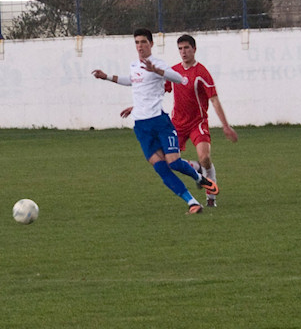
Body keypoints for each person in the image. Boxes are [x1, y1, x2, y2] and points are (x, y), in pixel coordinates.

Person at [92, 28, 218, 215]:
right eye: (137, 42)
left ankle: (199, 178)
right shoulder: (134, 65)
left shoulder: (159, 64)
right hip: (141, 126)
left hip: (160, 123)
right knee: (161, 168)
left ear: (151, 44)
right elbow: (132, 81)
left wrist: (156, 70)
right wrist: (107, 77)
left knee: (174, 162)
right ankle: (192, 202)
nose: (140, 46)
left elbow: (180, 79)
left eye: (143, 42)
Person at [164, 34, 238, 207]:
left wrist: (226, 126)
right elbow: (157, 90)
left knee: (205, 158)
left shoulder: (201, 72)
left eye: (186, 48)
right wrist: (137, 107)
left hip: (197, 123)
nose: (183, 52)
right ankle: (196, 168)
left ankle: (211, 198)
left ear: (194, 49)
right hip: (177, 124)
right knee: (169, 161)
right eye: (180, 49)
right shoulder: (173, 72)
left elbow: (214, 100)